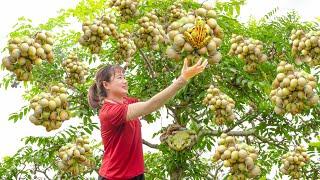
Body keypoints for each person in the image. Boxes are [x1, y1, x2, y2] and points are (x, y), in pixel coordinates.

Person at [87, 58, 208, 180]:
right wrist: (182, 79)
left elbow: (156, 101)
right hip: (114, 176)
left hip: (137, 175)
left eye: (124, 77)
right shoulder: (109, 112)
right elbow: (150, 105)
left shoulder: (126, 102)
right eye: (119, 78)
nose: (125, 81)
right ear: (106, 84)